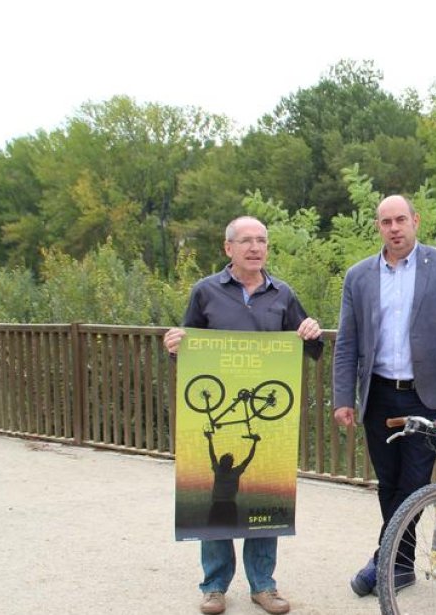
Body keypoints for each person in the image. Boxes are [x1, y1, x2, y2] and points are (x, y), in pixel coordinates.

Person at [331, 194, 436, 597]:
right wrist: (342, 399)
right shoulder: (359, 276)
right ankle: (399, 564)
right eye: (386, 221)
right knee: (388, 482)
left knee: (412, 482)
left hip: (424, 393)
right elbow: (347, 343)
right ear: (379, 227)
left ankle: (385, 560)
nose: (394, 228)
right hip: (377, 392)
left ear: (415, 221)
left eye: (401, 220)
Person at [164, 215, 324, 615]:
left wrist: (311, 331)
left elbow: (313, 350)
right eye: (246, 241)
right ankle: (214, 586)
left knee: (266, 497)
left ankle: (263, 586)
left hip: (267, 417)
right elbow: (187, 346)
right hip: (218, 405)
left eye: (262, 241)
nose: (255, 248)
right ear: (228, 248)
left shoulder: (283, 294)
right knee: (208, 499)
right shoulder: (205, 292)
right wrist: (173, 344)